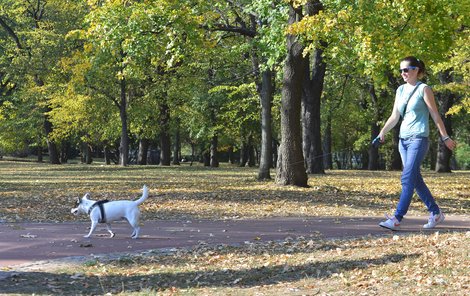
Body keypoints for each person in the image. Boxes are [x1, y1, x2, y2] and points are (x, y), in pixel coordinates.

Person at [376, 56, 456, 231]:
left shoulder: (424, 89)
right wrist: (383, 131)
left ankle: (397, 218)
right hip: (403, 141)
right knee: (415, 179)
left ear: (416, 70)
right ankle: (436, 213)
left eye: (406, 69)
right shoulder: (400, 90)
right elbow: (395, 116)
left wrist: (445, 137)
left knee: (406, 178)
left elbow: (435, 115)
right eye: (401, 70)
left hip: (418, 139)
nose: (403, 73)